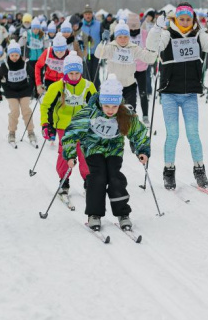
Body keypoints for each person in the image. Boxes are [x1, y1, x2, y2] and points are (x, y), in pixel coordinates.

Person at [145, 3, 208, 190]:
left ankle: (199, 169)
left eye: (188, 19)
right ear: (176, 19)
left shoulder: (198, 35)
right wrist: (157, 28)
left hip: (190, 93)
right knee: (173, 134)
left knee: (193, 133)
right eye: (181, 19)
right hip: (170, 93)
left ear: (192, 20)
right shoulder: (167, 34)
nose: (185, 22)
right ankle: (169, 170)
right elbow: (151, 46)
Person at [61, 75, 150, 232]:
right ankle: (94, 214)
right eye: (107, 106)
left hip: (114, 149)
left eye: (114, 107)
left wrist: (142, 150)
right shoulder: (89, 112)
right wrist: (70, 155)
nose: (110, 110)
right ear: (101, 102)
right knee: (98, 177)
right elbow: (71, 133)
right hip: (93, 148)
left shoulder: (125, 113)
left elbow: (139, 133)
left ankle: (122, 214)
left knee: (115, 177)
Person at [40, 51, 98, 196]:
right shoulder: (56, 87)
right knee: (66, 152)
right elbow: (46, 106)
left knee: (84, 152)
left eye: (77, 73)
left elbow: (96, 106)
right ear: (65, 72)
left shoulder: (88, 86)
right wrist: (46, 125)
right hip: (63, 126)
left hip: (83, 125)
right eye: (70, 73)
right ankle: (64, 180)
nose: (74, 76)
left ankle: (88, 180)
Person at [94, 20, 157, 113]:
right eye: (120, 37)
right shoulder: (112, 47)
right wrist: (102, 42)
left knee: (129, 114)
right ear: (116, 37)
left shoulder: (133, 48)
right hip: (113, 87)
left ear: (129, 37)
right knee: (113, 114)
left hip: (129, 86)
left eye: (125, 37)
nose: (123, 39)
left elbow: (148, 58)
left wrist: (153, 49)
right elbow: (99, 54)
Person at [0, 41, 37, 145]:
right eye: (12, 55)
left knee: (26, 110)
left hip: (24, 91)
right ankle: (11, 133)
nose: (15, 57)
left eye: (17, 55)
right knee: (15, 111)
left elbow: (34, 76)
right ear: (9, 55)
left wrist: (33, 90)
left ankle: (31, 132)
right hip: (11, 92)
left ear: (20, 55)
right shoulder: (5, 66)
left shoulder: (25, 65)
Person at [79, 5, 103, 88]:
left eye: (89, 14)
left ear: (92, 14)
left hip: (96, 53)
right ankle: (87, 93)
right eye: (86, 14)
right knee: (86, 74)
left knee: (95, 74)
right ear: (83, 15)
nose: (88, 16)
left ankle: (96, 93)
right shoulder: (80, 25)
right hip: (85, 53)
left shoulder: (98, 24)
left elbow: (102, 36)